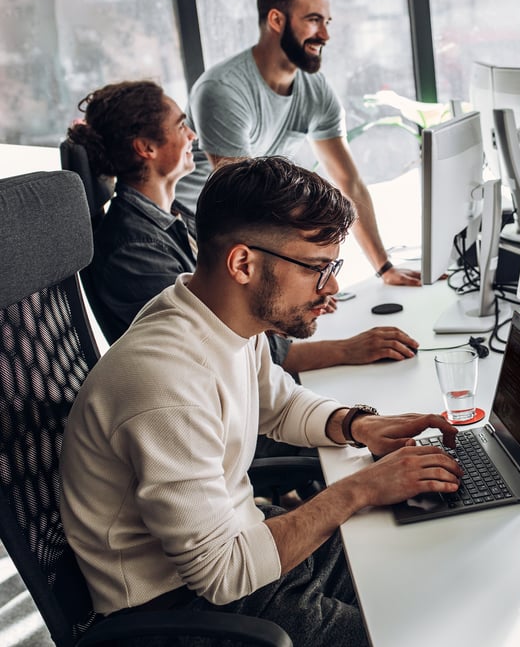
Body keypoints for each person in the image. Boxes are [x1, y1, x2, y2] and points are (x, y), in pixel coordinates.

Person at [59, 156, 463, 647]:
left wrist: (358, 424)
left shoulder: (219, 319)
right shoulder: (166, 384)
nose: (332, 287)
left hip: (245, 546)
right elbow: (221, 575)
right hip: (189, 607)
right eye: (318, 268)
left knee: (437, 570)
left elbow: (279, 404)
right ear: (243, 264)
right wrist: (359, 489)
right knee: (420, 634)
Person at [67, 80, 420, 374]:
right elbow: (216, 348)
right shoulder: (132, 248)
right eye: (180, 126)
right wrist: (348, 349)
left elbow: (232, 308)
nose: (192, 135)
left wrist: (294, 301)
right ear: (146, 148)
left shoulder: (173, 216)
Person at [176, 0, 422, 288]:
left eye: (327, 22)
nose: (325, 35)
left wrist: (384, 268)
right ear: (277, 21)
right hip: (201, 232)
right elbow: (240, 200)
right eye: (313, 20)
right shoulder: (222, 90)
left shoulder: (314, 90)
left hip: (256, 225)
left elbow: (349, 181)